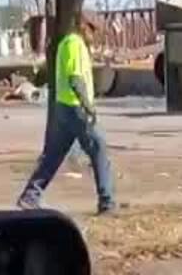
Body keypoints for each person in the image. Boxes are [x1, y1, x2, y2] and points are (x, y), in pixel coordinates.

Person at [18, 11, 117, 214]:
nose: (94, 34)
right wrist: (88, 106)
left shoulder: (65, 43)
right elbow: (75, 78)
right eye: (92, 29)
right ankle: (107, 202)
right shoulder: (74, 44)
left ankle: (30, 196)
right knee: (99, 148)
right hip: (75, 107)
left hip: (63, 107)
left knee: (53, 156)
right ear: (84, 26)